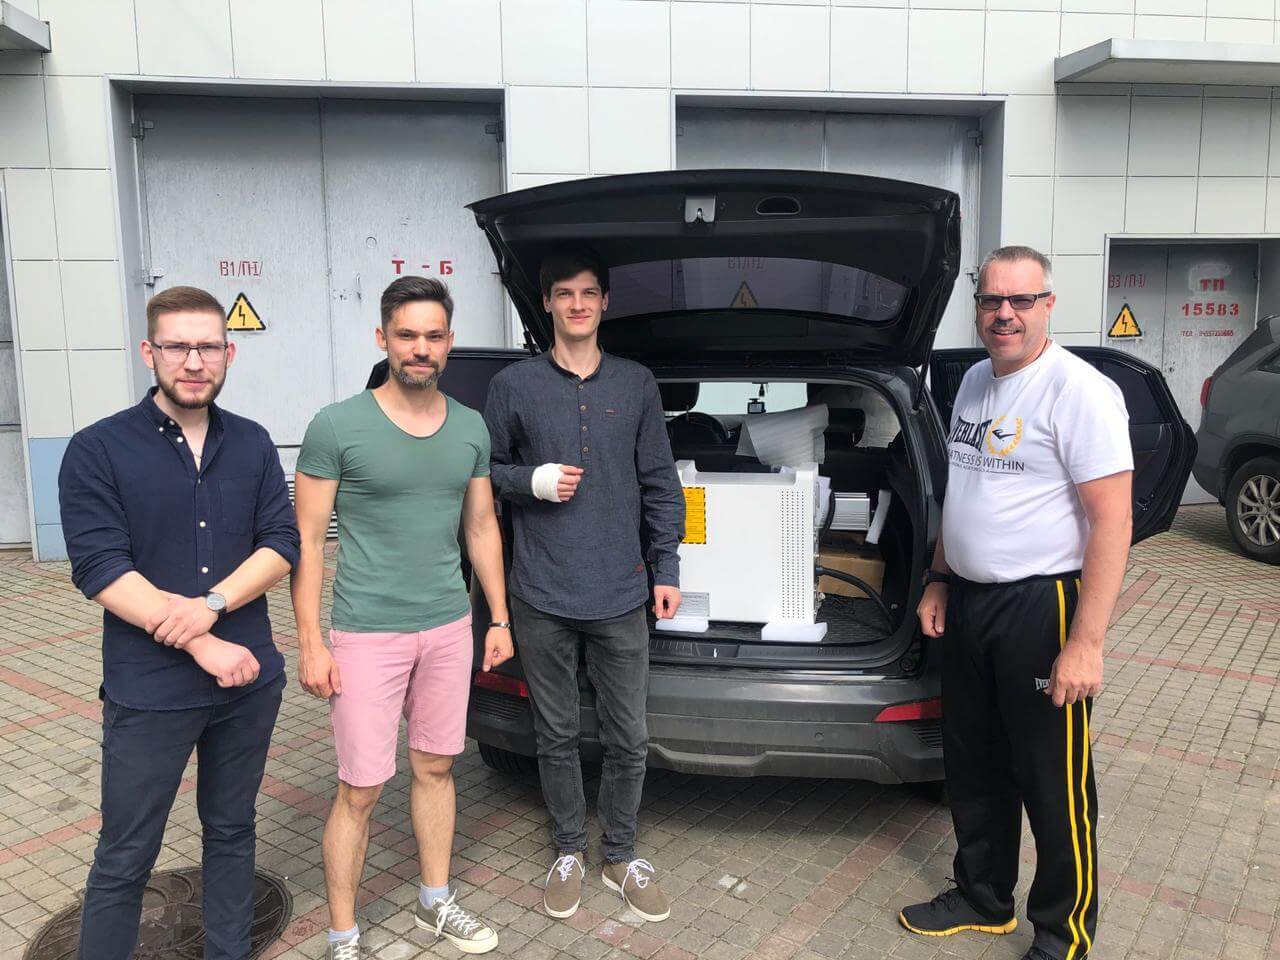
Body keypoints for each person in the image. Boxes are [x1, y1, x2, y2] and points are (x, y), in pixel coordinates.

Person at [899, 246, 1133, 960]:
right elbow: (964, 491)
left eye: (1021, 300)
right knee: (974, 763)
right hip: (970, 602)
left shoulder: (1079, 391)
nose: (1005, 314)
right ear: (977, 307)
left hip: (1043, 606)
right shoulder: (974, 381)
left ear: (1047, 304)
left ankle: (1064, 934)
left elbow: (1112, 521)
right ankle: (983, 896)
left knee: (1052, 780)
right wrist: (940, 577)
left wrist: (1086, 643)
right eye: (992, 300)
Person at [59, 285, 299, 960]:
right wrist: (202, 643)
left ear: (228, 353)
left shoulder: (252, 443)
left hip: (248, 683)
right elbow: (100, 566)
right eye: (178, 346)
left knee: (232, 831)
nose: (194, 362)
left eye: (208, 347)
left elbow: (281, 543)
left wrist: (210, 607)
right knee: (126, 854)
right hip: (150, 692)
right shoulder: (98, 448)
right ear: (149, 352)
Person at [292, 276, 512, 959]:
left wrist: (498, 619)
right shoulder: (336, 426)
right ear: (383, 338)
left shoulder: (470, 426)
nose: (421, 348)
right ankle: (343, 936)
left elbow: (480, 526)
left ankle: (435, 901)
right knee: (360, 788)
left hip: (447, 627)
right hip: (366, 633)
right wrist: (310, 643)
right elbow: (306, 541)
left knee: (437, 768)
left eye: (434, 335)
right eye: (408, 334)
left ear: (449, 342)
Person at [484, 245, 684, 923]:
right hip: (540, 592)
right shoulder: (514, 386)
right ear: (546, 303)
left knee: (629, 739)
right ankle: (569, 848)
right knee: (555, 735)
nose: (577, 304)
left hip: (621, 591)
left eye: (588, 293)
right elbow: (483, 474)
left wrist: (666, 569)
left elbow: (660, 483)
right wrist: (529, 481)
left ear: (604, 302)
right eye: (564, 293)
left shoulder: (636, 384)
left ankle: (620, 854)